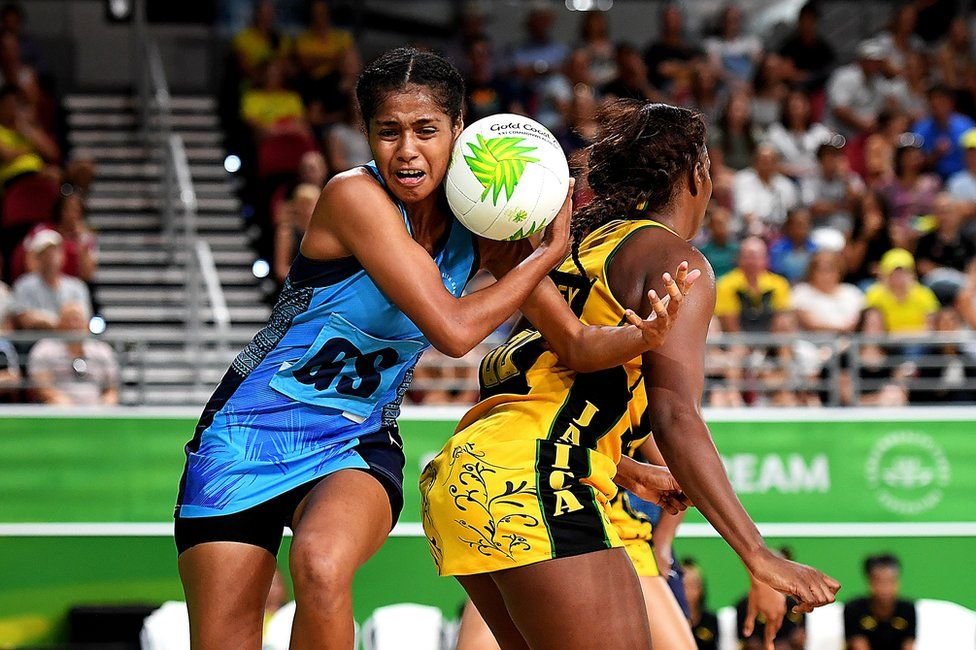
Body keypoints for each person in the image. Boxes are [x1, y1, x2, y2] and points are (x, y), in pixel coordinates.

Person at [174, 49, 692, 650]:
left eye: (426, 130)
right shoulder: (353, 196)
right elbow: (452, 330)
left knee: (320, 563)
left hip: (353, 442)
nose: (407, 151)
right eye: (387, 131)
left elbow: (574, 343)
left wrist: (643, 336)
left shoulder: (479, 222)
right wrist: (545, 254)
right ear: (366, 134)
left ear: (458, 129)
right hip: (241, 439)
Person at [421, 100, 839, 649]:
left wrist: (626, 469)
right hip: (535, 483)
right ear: (698, 175)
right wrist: (756, 552)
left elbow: (527, 384)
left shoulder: (580, 249)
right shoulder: (676, 262)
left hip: (464, 478)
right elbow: (675, 416)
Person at [27, 302, 118, 406]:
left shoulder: (102, 350)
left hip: (96, 407)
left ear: (87, 324)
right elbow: (42, 386)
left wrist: (107, 404)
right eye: (68, 320)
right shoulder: (44, 349)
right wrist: (58, 400)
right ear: (59, 324)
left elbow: (112, 389)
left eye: (77, 319)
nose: (73, 325)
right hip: (59, 406)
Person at [11, 229, 91, 330]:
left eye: (55, 251)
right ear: (37, 257)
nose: (51, 257)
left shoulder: (77, 286)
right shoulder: (24, 285)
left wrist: (45, 319)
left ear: (63, 255)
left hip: (69, 339)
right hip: (36, 339)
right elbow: (24, 319)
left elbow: (83, 320)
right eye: (45, 253)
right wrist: (63, 322)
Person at [715, 237, 793, 333]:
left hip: (771, 334)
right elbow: (728, 320)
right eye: (747, 257)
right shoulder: (725, 284)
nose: (751, 262)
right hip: (736, 335)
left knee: (785, 321)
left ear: (766, 259)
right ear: (739, 259)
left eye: (755, 257)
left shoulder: (779, 284)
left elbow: (782, 315)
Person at [844, 554, 916, 650]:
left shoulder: (907, 609)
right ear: (869, 582)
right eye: (879, 581)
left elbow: (908, 645)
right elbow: (858, 645)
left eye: (890, 581)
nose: (885, 588)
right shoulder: (853, 608)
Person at [865, 248, 940, 335]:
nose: (898, 277)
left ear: (911, 273)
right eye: (893, 273)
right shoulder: (874, 294)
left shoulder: (924, 294)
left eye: (903, 272)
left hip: (918, 341)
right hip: (884, 342)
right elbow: (870, 328)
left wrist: (899, 334)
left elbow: (931, 327)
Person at [733, 144, 799, 236]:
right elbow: (746, 212)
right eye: (763, 160)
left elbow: (792, 212)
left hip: (781, 231)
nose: (767, 164)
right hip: (750, 232)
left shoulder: (786, 184)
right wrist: (761, 230)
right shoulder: (743, 179)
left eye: (771, 161)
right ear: (755, 161)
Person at [912, 84, 975, 181]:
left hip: (964, 176)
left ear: (951, 103)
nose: (937, 106)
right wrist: (935, 154)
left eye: (941, 102)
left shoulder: (966, 125)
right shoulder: (921, 129)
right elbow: (913, 162)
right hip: (933, 178)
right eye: (933, 103)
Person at [792, 251, 865, 333]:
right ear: (811, 271)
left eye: (830, 269)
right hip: (811, 340)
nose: (826, 274)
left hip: (849, 340)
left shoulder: (852, 292)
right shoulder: (801, 292)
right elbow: (808, 323)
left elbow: (860, 320)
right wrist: (842, 330)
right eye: (821, 270)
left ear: (839, 270)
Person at [682, 559, 720, 650]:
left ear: (701, 588)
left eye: (693, 585)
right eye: (684, 585)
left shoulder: (712, 621)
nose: (688, 591)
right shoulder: (669, 621)